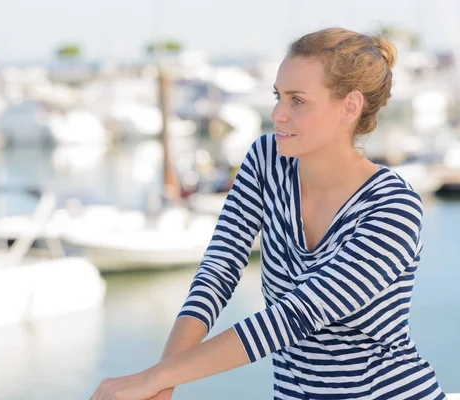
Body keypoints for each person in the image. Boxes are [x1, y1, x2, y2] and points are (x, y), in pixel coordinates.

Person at [90, 27, 446, 400]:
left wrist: (151, 379)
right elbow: (218, 271)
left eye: (297, 101)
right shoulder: (266, 160)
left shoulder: (393, 208)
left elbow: (294, 317)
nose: (277, 114)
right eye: (278, 96)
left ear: (350, 106)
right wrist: (162, 383)